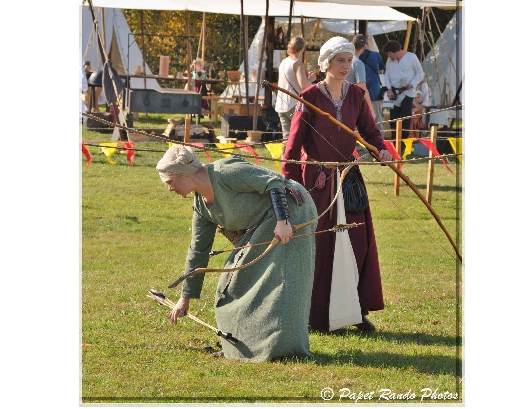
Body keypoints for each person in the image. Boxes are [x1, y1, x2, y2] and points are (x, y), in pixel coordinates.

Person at [158, 144, 318, 362]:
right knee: (233, 284)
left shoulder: (225, 172)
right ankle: (245, 348)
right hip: (265, 223)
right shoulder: (201, 206)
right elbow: (198, 250)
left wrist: (283, 222)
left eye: (169, 182)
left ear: (183, 174)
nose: (169, 189)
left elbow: (274, 182)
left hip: (292, 211)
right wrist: (185, 298)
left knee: (280, 283)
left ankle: (280, 349)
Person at [282, 36, 395, 334]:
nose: (346, 66)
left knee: (357, 243)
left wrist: (380, 150)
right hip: (317, 181)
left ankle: (355, 311)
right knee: (322, 247)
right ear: (326, 63)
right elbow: (292, 147)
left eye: (348, 60)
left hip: (348, 179)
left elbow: (370, 132)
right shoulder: (309, 97)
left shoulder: (357, 94)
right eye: (340, 61)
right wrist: (291, 185)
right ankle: (317, 316)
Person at [382, 40, 428, 140]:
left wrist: (412, 84)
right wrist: (389, 89)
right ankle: (395, 141)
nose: (388, 56)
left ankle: (404, 142)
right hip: (394, 92)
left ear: (395, 52)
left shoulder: (411, 57)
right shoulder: (390, 60)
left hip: (408, 92)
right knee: (393, 118)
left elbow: (420, 73)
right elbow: (387, 75)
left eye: (389, 53)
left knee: (406, 117)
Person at [274, 36, 310, 140]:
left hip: (281, 104)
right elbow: (304, 86)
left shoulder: (284, 62)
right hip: (293, 104)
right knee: (301, 136)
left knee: (287, 138)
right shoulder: (297, 63)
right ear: (302, 49)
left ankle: (286, 151)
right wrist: (311, 80)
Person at [353, 34, 385, 121]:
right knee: (377, 120)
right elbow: (381, 70)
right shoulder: (376, 55)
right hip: (374, 92)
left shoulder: (349, 59)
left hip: (356, 95)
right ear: (365, 46)